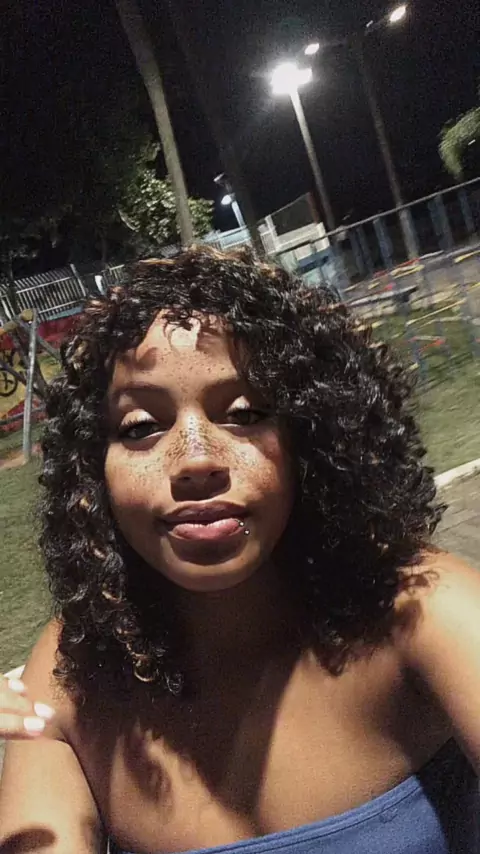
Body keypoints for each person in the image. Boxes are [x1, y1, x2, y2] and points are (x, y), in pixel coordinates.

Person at [1, 245, 480, 854]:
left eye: (245, 413)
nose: (196, 459)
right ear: (94, 474)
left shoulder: (421, 609)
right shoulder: (73, 673)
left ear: (312, 435)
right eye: (141, 426)